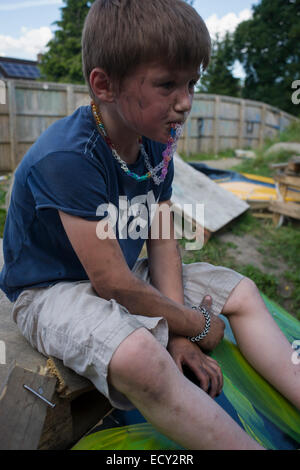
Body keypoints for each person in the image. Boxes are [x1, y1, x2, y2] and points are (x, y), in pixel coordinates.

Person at [0, 0, 299, 450]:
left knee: (242, 293)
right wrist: (197, 324)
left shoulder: (157, 145)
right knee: (140, 354)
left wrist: (180, 332)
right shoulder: (69, 158)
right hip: (50, 292)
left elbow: (161, 240)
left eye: (192, 83)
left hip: (119, 279)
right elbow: (112, 284)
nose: (185, 102)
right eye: (167, 84)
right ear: (104, 85)